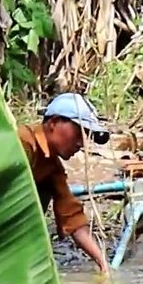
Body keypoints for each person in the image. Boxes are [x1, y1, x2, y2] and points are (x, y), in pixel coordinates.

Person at [19, 92, 112, 274]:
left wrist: (102, 262)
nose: (80, 143)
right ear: (53, 123)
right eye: (78, 132)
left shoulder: (52, 166)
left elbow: (71, 216)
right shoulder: (22, 143)